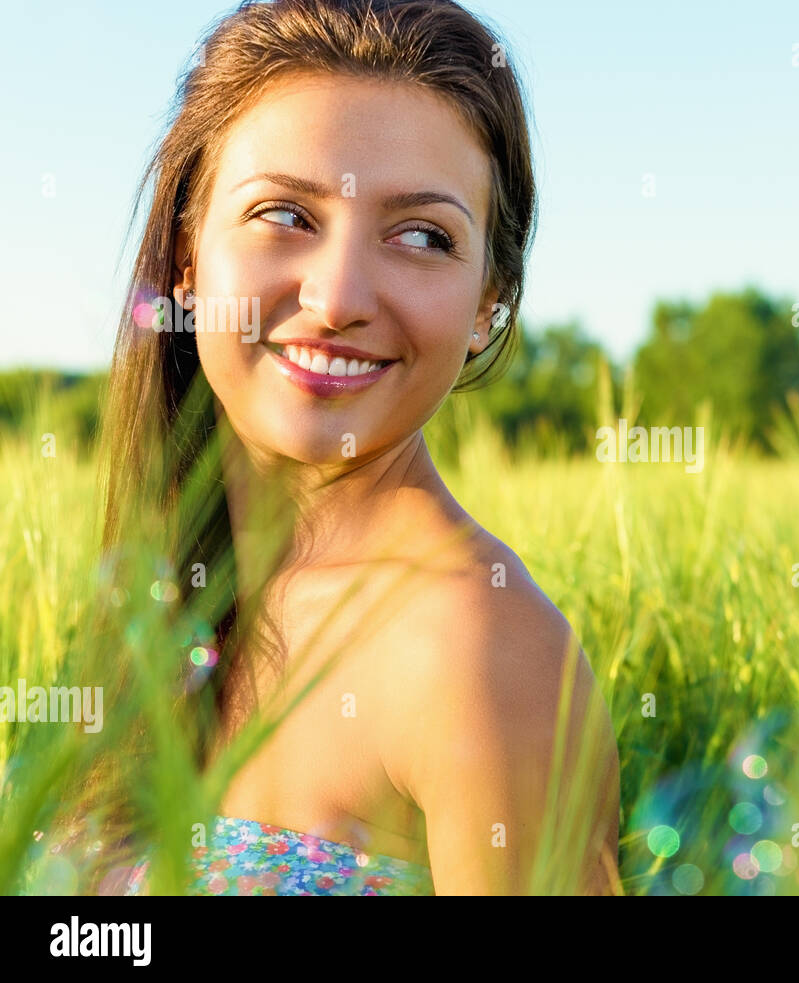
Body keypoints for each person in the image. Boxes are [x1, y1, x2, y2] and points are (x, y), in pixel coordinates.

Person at [73, 0, 619, 896]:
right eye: (286, 213)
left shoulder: (480, 651)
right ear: (185, 255)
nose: (337, 298)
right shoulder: (167, 585)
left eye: (421, 236)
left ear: (490, 302)